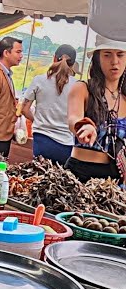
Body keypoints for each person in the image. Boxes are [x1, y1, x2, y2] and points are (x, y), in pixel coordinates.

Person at [68, 36, 126, 182]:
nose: (114, 61)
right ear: (97, 59)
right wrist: (84, 125)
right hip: (81, 172)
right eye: (107, 55)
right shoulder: (82, 88)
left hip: (114, 178)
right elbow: (73, 119)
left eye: (120, 54)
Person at [21, 44, 79, 165]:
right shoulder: (78, 86)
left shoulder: (39, 80)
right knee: (59, 180)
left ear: (54, 58)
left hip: (41, 139)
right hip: (65, 143)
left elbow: (24, 109)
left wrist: (37, 120)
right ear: (73, 64)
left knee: (40, 176)